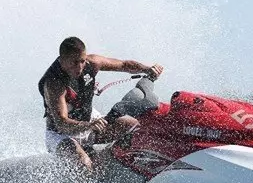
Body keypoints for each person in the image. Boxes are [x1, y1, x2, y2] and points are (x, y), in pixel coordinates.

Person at [39, 36, 163, 172]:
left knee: (132, 125)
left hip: (88, 121)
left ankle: (112, 159)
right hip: (61, 134)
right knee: (84, 163)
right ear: (62, 60)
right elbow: (62, 123)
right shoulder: (54, 83)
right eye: (74, 62)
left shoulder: (92, 63)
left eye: (82, 61)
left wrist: (147, 69)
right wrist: (89, 126)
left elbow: (123, 65)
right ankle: (89, 177)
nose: (80, 67)